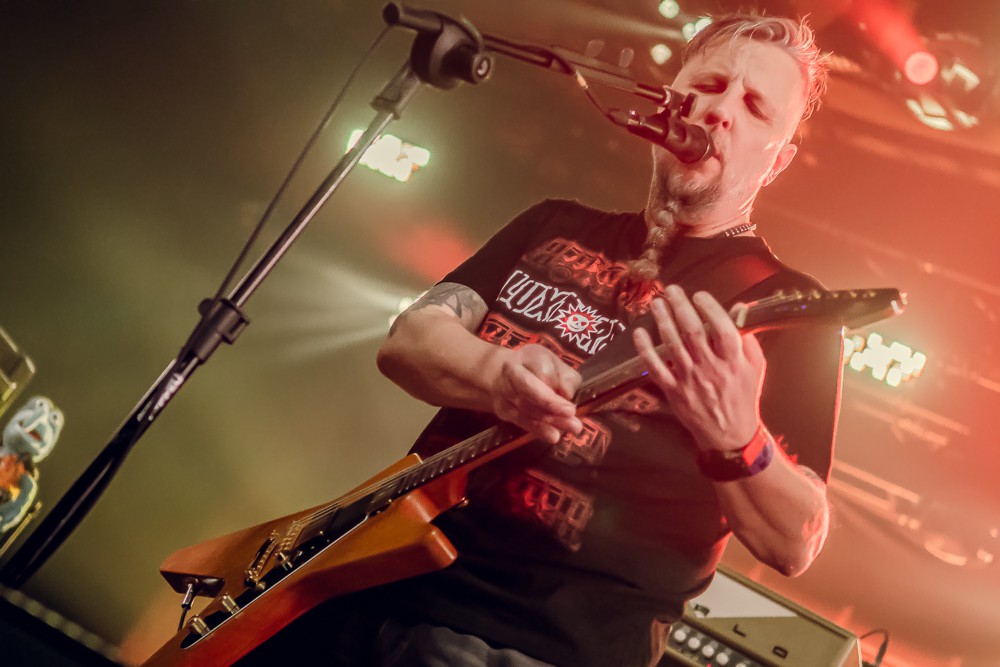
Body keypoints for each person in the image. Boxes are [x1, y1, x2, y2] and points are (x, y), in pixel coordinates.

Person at [242, 13, 841, 667]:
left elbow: (796, 541)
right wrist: (497, 374)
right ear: (668, 99)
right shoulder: (554, 222)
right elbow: (409, 340)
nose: (720, 110)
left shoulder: (786, 309)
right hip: (362, 583)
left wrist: (739, 440)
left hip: (535, 645)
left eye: (754, 106)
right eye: (711, 84)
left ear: (777, 160)